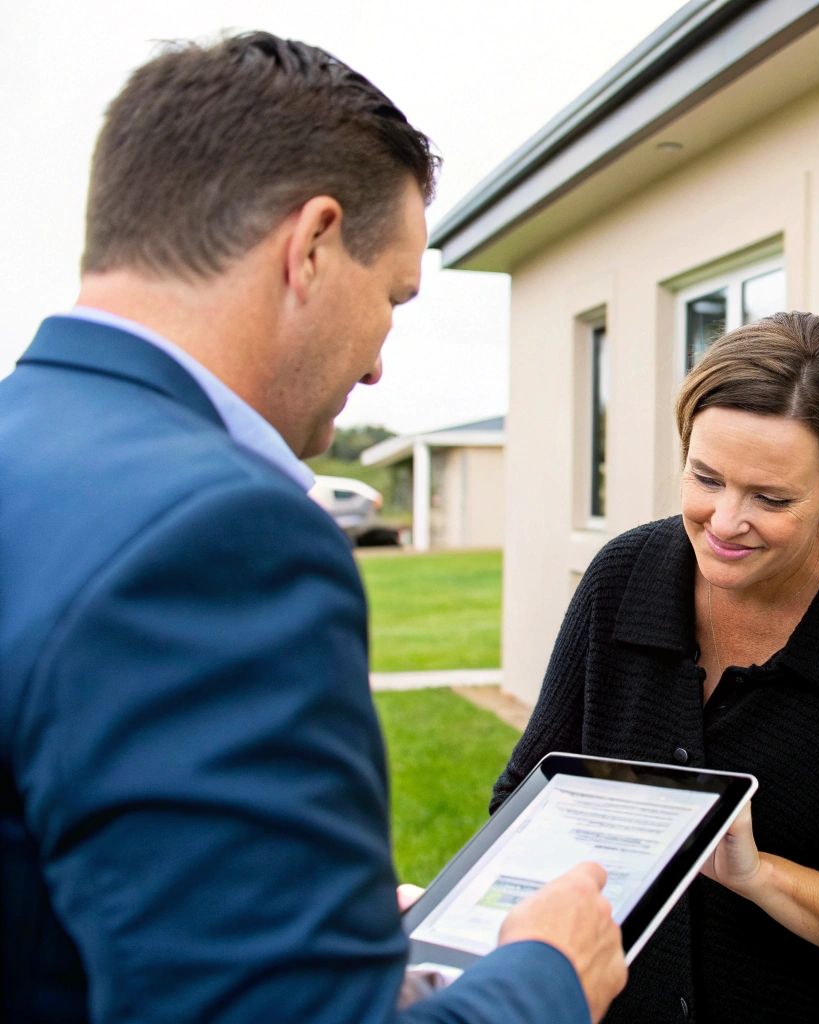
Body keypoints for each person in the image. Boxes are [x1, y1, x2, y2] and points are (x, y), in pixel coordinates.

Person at [0, 32, 625, 1023]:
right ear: (312, 245)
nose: (379, 366)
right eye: (392, 297)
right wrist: (549, 971)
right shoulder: (214, 537)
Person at [492, 312, 819, 1023]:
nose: (726, 522)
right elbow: (526, 800)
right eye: (706, 478)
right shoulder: (622, 581)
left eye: (770, 498)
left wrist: (759, 876)